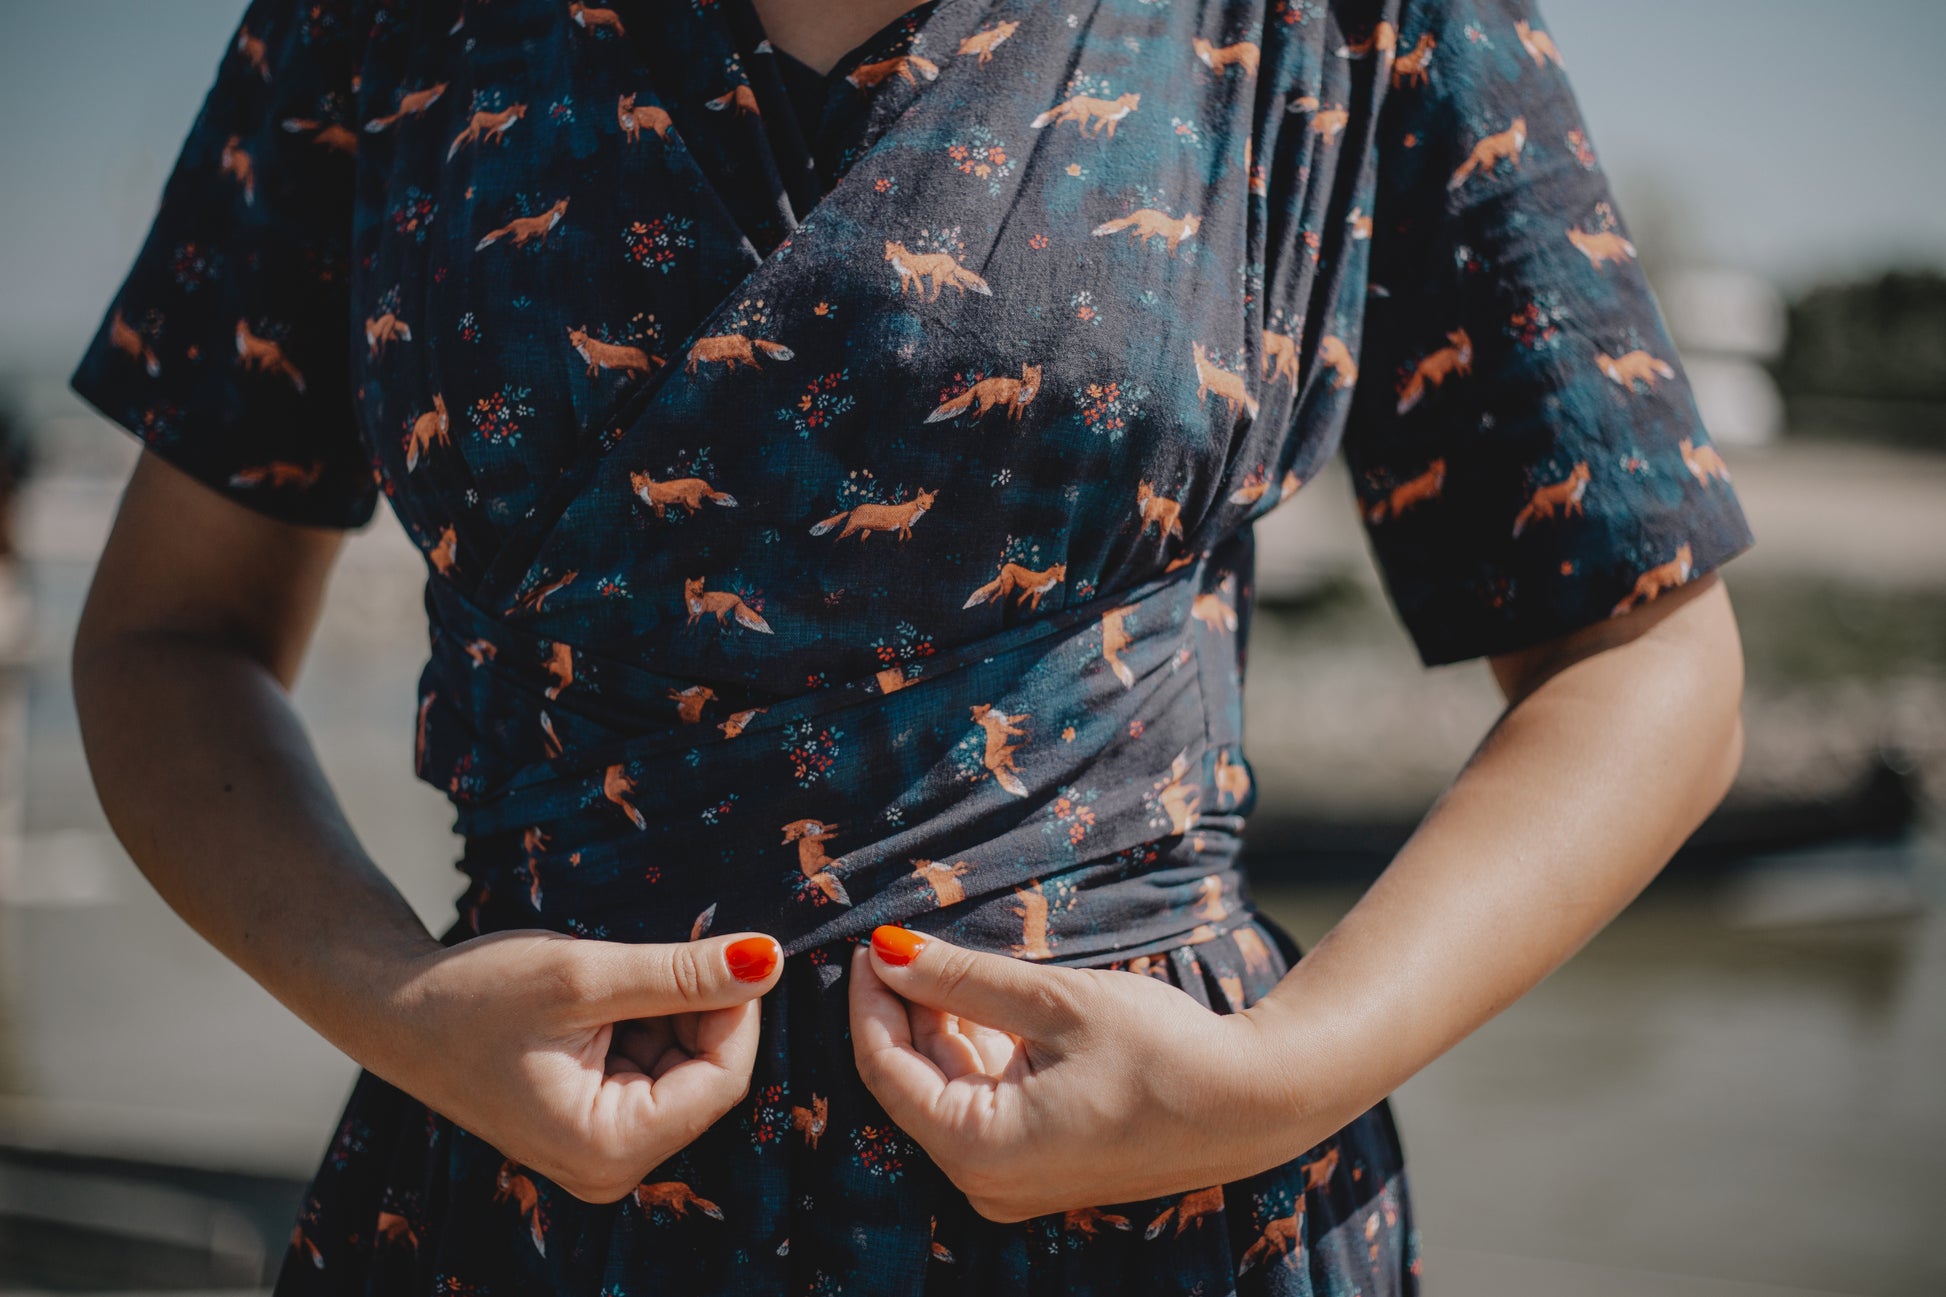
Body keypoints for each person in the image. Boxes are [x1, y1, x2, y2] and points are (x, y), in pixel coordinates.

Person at [66, 0, 1754, 1291]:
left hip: (1156, 1214)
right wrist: (400, 1004)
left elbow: (1646, 663)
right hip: (518, 1207)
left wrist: (1273, 1080)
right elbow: (170, 630)